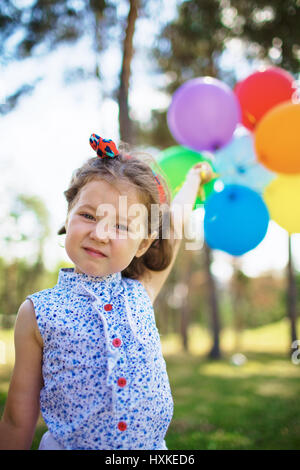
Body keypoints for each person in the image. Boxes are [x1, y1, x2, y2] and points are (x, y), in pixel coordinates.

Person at [0, 134, 213, 450]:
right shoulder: (37, 312)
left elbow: (176, 221)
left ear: (142, 244)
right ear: (68, 217)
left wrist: (194, 178)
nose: (99, 234)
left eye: (121, 226)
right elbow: (19, 415)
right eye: (87, 215)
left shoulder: (141, 292)